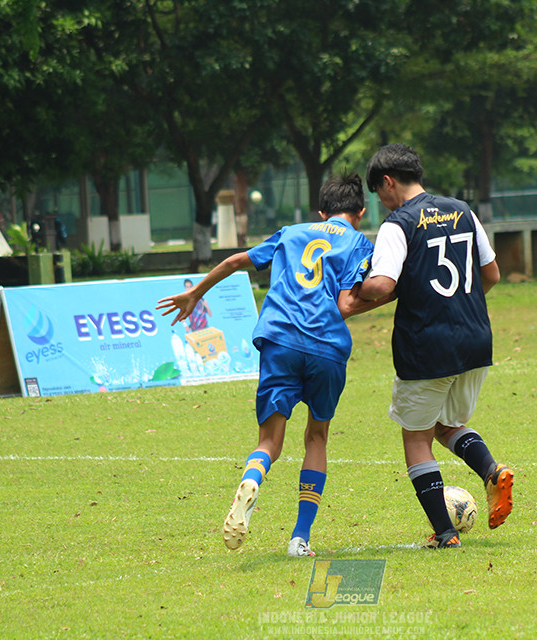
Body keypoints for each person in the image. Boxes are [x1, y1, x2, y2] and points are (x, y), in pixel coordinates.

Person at [157, 173, 383, 557]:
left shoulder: (291, 232)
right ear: (360, 213)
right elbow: (350, 300)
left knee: (269, 442)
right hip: (326, 345)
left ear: (321, 212)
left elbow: (235, 261)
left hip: (279, 339)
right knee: (316, 437)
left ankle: (252, 476)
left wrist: (196, 292)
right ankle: (300, 538)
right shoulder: (361, 244)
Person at [346, 143, 514, 549]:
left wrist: (356, 285)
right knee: (446, 426)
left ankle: (445, 533)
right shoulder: (462, 209)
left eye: (379, 193)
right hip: (475, 338)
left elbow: (383, 284)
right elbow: (491, 273)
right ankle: (492, 472)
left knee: (416, 439)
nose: (381, 201)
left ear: (388, 182)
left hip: (427, 345)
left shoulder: (397, 224)